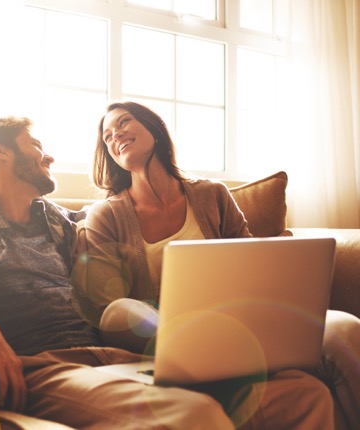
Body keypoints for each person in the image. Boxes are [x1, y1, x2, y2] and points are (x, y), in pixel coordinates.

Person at [0, 115, 333, 429]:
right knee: (191, 416)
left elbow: (111, 295)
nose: (49, 158)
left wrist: (178, 331)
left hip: (112, 356)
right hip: (41, 366)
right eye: (37, 147)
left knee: (302, 394)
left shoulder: (58, 224)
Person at [71, 101, 360, 430]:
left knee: (345, 330)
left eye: (124, 122)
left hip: (248, 323)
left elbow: (254, 262)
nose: (115, 135)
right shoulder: (107, 216)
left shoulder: (213, 195)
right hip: (172, 344)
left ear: (154, 129)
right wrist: (165, 329)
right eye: (107, 135)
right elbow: (107, 309)